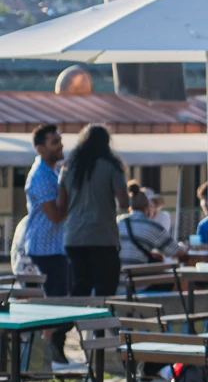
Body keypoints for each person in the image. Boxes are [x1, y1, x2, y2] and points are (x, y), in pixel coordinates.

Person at [59, 124, 124, 297]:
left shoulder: (68, 169)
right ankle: (100, 324)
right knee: (106, 288)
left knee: (80, 286)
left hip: (73, 237)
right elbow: (124, 202)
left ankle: (77, 322)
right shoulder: (111, 167)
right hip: (103, 236)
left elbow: (61, 205)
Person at [23, 124, 71, 298]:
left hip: (55, 250)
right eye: (55, 142)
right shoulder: (40, 176)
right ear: (40, 149)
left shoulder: (53, 172)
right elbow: (56, 216)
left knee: (60, 310)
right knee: (54, 310)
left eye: (60, 141)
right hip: (45, 252)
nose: (60, 145)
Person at [116, 182, 179, 269]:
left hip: (116, 278)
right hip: (139, 279)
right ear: (147, 207)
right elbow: (176, 253)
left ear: (130, 208)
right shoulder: (153, 226)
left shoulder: (119, 222)